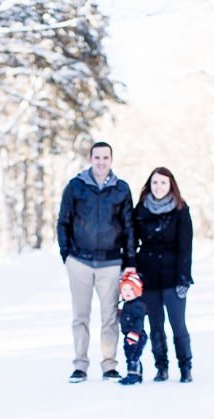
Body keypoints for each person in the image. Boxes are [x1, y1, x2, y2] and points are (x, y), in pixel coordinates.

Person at [57, 142, 136, 383]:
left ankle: (109, 365)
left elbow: (129, 227)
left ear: (111, 160)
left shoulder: (121, 189)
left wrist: (130, 260)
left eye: (106, 157)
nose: (101, 161)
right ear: (90, 159)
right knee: (80, 316)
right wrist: (66, 255)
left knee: (110, 316)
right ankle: (80, 365)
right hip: (79, 261)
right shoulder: (75, 187)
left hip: (111, 262)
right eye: (97, 157)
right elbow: (63, 222)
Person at [133, 167, 194, 382]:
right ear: (149, 184)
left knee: (178, 323)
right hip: (147, 276)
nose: (158, 187)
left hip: (173, 275)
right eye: (155, 182)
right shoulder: (140, 210)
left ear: (171, 186)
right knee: (155, 324)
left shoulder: (180, 210)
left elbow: (186, 247)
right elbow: (131, 242)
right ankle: (161, 367)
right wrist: (131, 271)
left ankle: (185, 367)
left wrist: (184, 278)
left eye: (163, 183)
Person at [117, 272, 147, 385]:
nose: (127, 292)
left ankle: (133, 374)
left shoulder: (138, 304)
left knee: (133, 355)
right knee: (131, 354)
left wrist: (135, 334)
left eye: (131, 289)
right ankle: (138, 374)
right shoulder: (126, 304)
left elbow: (139, 320)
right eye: (124, 289)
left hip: (137, 335)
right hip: (129, 334)